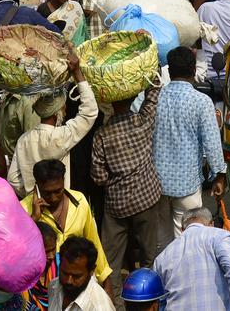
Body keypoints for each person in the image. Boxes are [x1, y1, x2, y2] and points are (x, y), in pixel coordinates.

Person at [91, 78, 167, 301]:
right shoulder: (143, 121)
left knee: (111, 261)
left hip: (117, 205)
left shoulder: (102, 135)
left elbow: (98, 177)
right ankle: (148, 300)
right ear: (134, 97)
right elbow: (153, 93)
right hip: (147, 200)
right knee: (149, 256)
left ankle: (115, 302)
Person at [154, 48, 227, 235]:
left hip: (156, 184)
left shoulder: (154, 99)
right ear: (194, 70)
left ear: (169, 71)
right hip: (186, 183)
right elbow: (212, 143)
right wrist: (220, 175)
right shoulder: (201, 101)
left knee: (162, 237)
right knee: (187, 237)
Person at [8, 56, 97, 196]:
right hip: (62, 205)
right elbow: (89, 112)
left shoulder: (24, 140)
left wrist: (32, 196)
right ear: (57, 113)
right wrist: (78, 73)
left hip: (36, 207)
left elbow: (13, 179)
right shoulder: (62, 136)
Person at [22, 160, 113, 289]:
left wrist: (105, 280)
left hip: (77, 284)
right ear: (37, 187)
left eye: (58, 191)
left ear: (63, 181)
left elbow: (94, 242)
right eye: (47, 193)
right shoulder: (24, 209)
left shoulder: (80, 201)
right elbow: (17, 251)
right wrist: (34, 218)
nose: (53, 198)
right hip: (42, 289)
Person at [47, 236, 114, 310]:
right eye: (65, 273)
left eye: (76, 276)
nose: (69, 281)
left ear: (91, 271)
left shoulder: (100, 307)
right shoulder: (54, 287)